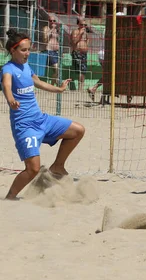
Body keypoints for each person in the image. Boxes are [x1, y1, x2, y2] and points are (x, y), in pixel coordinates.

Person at [1, 29, 85, 200]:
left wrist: (59, 89)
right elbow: (7, 86)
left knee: (78, 130)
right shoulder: (7, 69)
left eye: (29, 49)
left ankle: (57, 167)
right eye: (24, 50)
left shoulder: (26, 66)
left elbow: (38, 82)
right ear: (13, 50)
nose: (28, 53)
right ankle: (10, 197)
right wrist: (10, 99)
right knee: (33, 169)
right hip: (24, 126)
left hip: (41, 120)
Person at [70, 17, 89, 92]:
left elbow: (88, 39)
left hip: (84, 53)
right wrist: (80, 34)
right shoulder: (75, 31)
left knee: (83, 70)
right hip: (77, 52)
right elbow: (74, 41)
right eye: (82, 25)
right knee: (79, 70)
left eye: (85, 25)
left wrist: (86, 46)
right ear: (78, 24)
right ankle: (77, 87)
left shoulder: (85, 33)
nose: (83, 26)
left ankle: (81, 87)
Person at [42, 14, 60, 86]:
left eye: (54, 21)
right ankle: (52, 85)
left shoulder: (57, 30)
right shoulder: (46, 28)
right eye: (51, 21)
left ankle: (53, 85)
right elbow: (44, 39)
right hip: (49, 51)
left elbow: (58, 41)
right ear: (48, 21)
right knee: (56, 69)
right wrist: (51, 30)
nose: (52, 22)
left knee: (56, 71)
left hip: (56, 52)